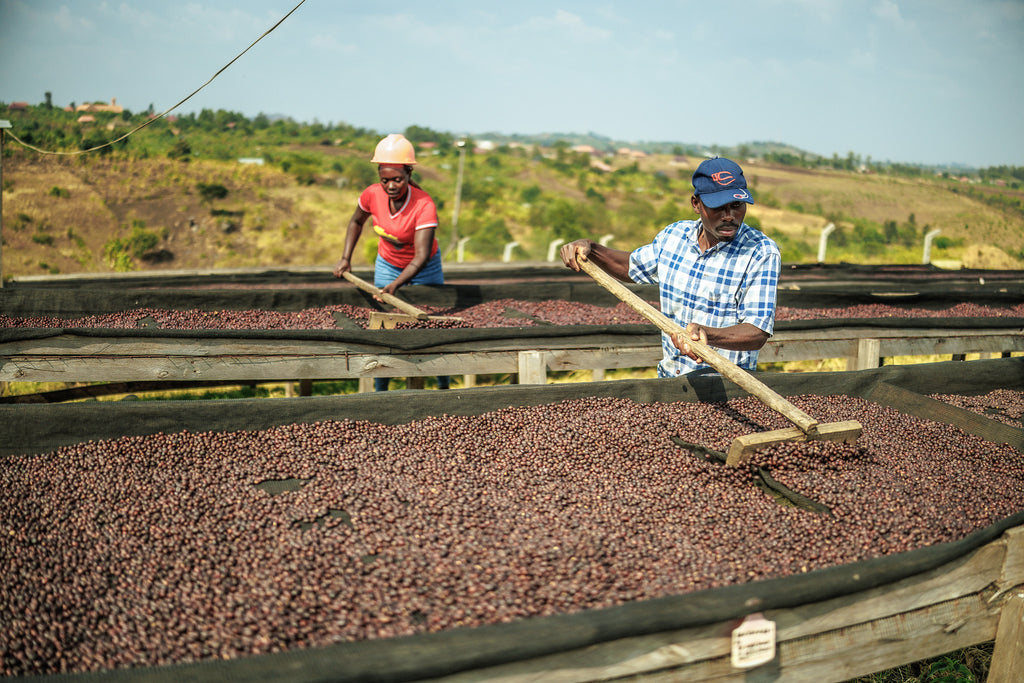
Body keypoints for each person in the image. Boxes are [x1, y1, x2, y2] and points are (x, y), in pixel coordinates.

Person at [560, 157, 781, 376]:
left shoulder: (760, 252)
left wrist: (706, 334)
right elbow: (632, 266)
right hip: (671, 381)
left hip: (729, 385)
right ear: (696, 204)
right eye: (718, 207)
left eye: (737, 206)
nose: (729, 216)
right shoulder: (674, 236)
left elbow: (756, 332)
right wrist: (592, 248)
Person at [333, 133, 449, 391]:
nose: (391, 186)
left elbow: (420, 256)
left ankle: (443, 385)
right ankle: (380, 390)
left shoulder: (424, 205)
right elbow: (355, 222)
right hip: (388, 264)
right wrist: (345, 259)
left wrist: (395, 286)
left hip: (424, 268)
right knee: (386, 325)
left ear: (408, 174)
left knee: (432, 325)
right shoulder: (372, 195)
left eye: (397, 179)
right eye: (385, 180)